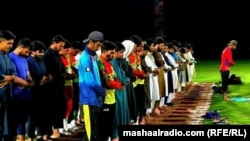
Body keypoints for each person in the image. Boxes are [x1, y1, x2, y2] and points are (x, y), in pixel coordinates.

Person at [0, 30, 33, 141]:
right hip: (3, 98)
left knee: (9, 128)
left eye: (12, 43)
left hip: (8, 98)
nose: (11, 46)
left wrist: (10, 79)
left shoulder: (6, 56)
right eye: (9, 43)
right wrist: (11, 78)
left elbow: (12, 74)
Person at [78, 31, 106, 141]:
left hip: (95, 98)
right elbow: (90, 81)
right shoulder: (85, 58)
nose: (99, 48)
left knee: (94, 132)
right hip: (88, 99)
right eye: (98, 45)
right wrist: (101, 91)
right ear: (91, 42)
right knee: (89, 134)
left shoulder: (92, 56)